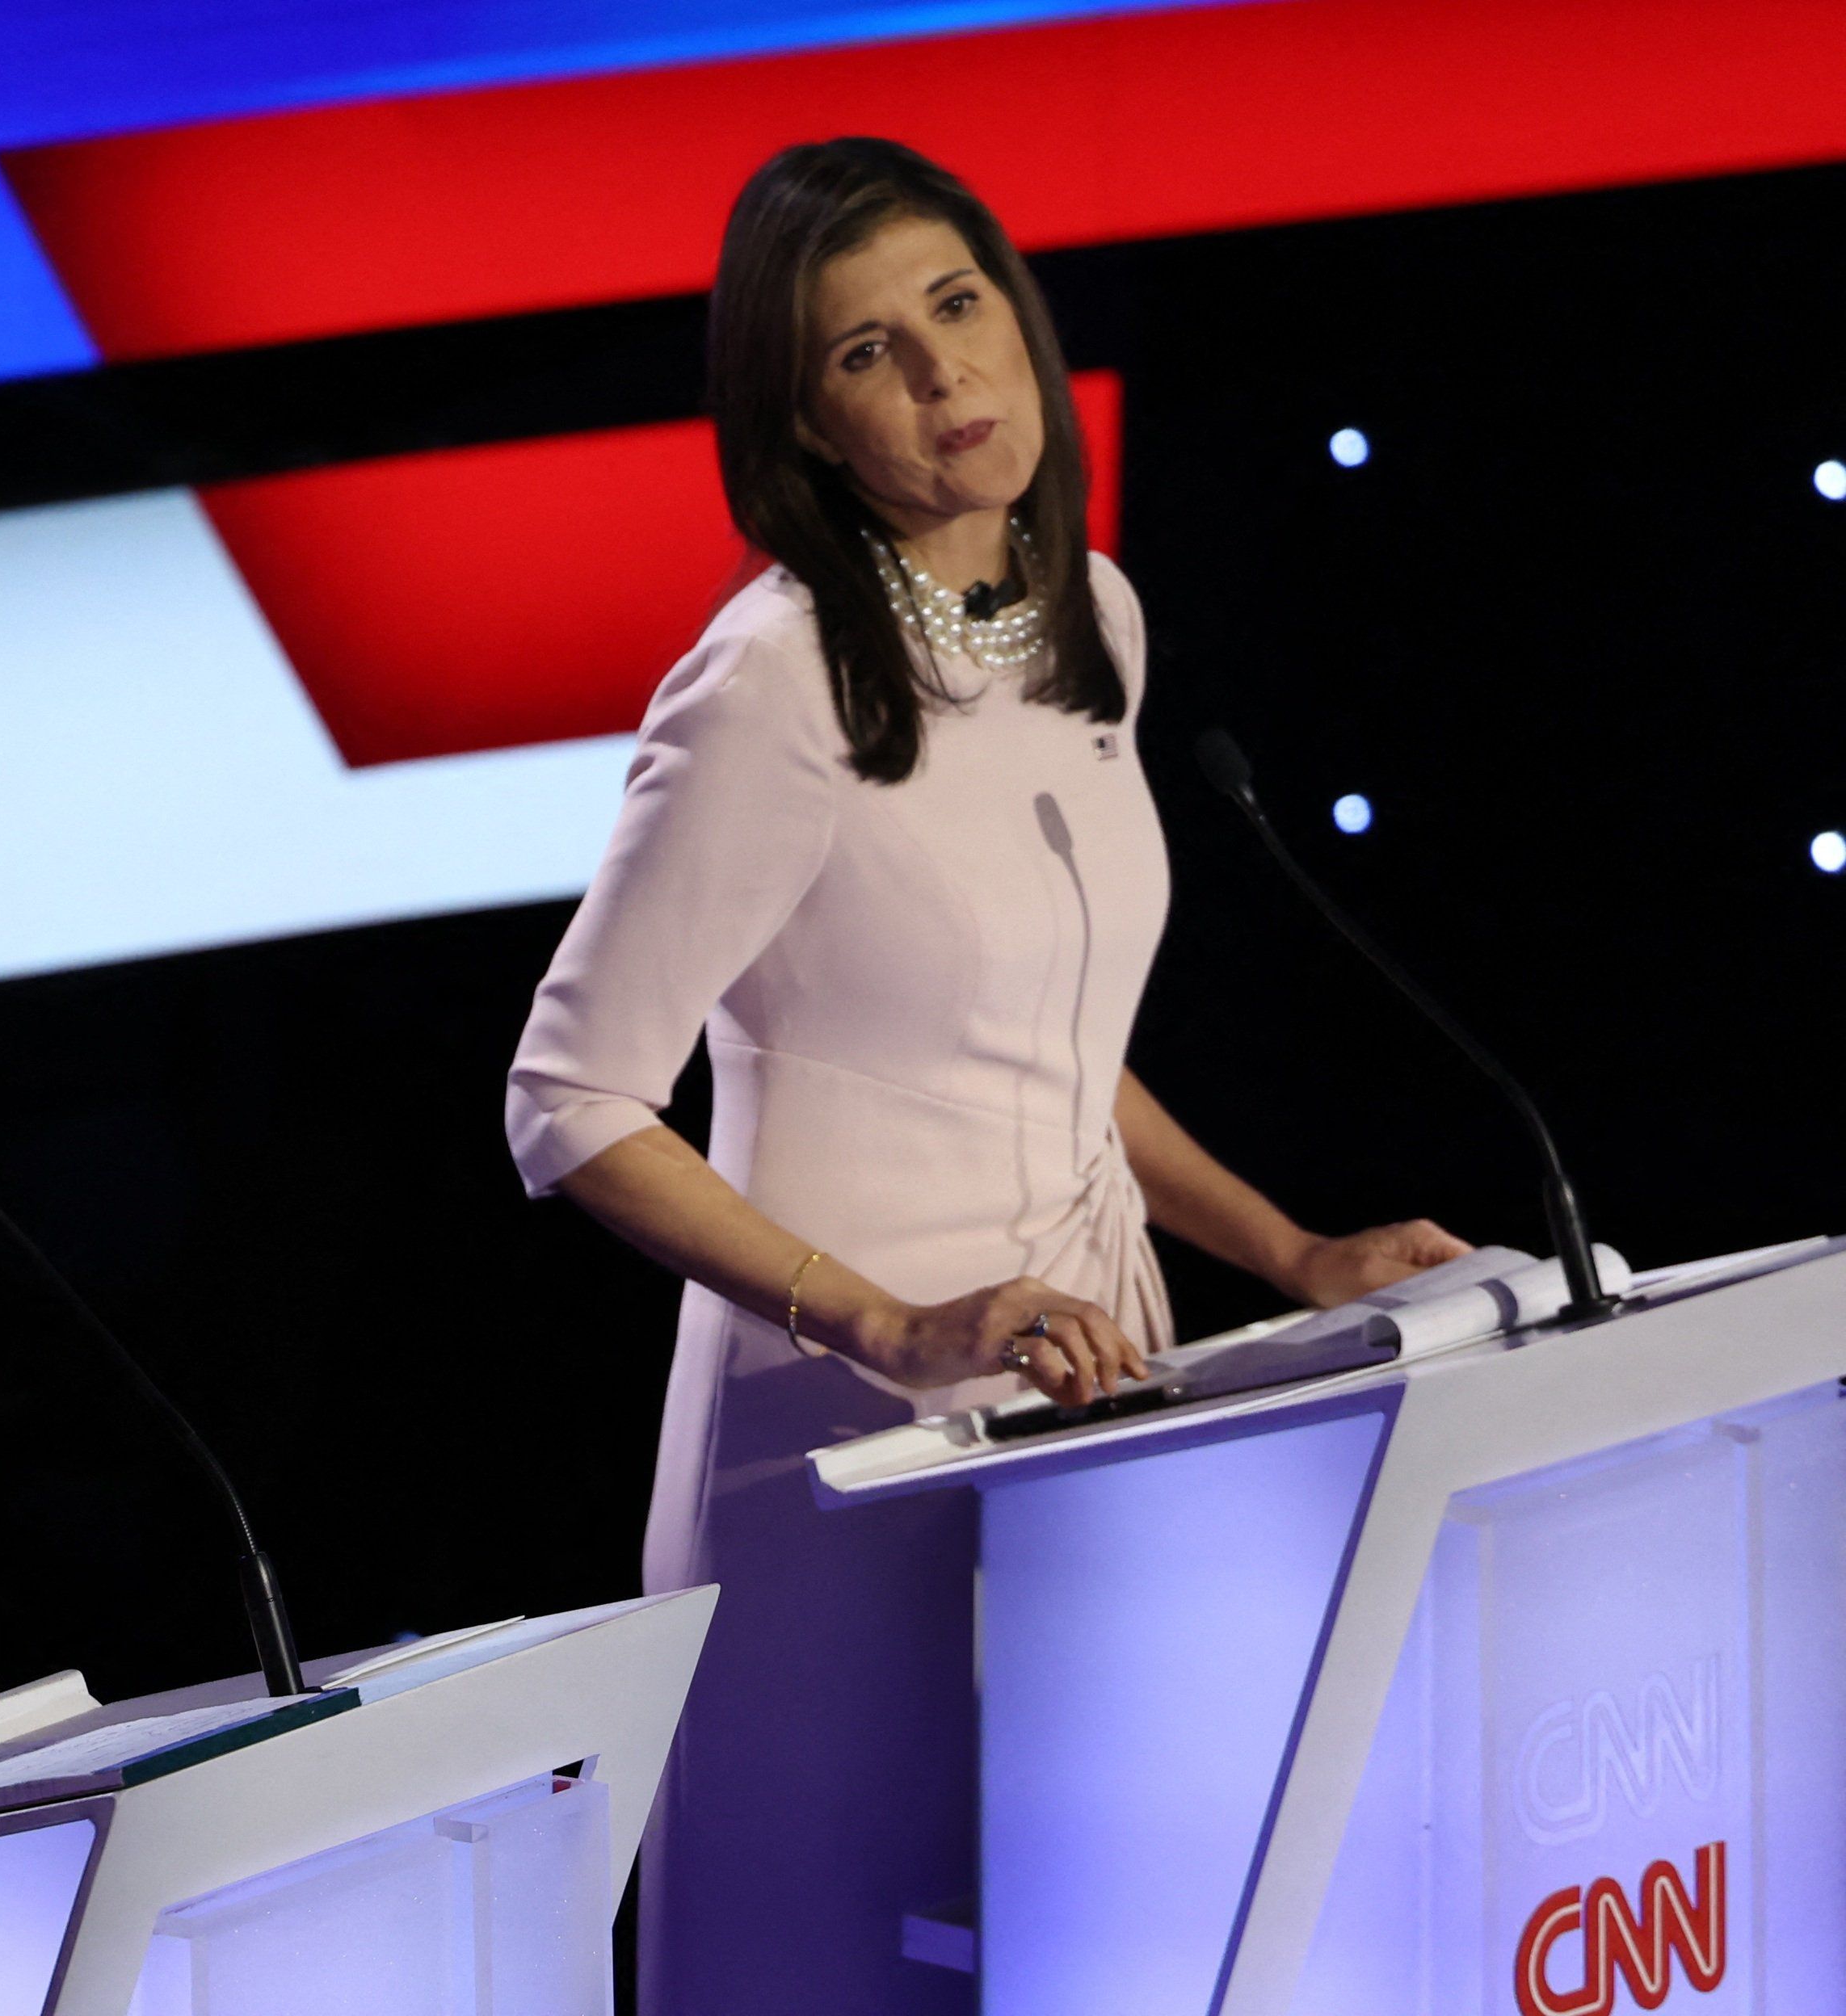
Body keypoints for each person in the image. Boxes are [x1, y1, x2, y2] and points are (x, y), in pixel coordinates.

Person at [502, 141, 1469, 2013]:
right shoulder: (770, 683)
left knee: (1120, 1949)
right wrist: (895, 1321)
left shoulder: (1085, 611)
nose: (947, 378)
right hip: (840, 1436)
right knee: (866, 1963)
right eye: (869, 351)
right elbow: (570, 1101)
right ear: (802, 421)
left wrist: (1294, 1251)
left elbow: (1058, 1049)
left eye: (958, 307)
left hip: (1105, 1388)